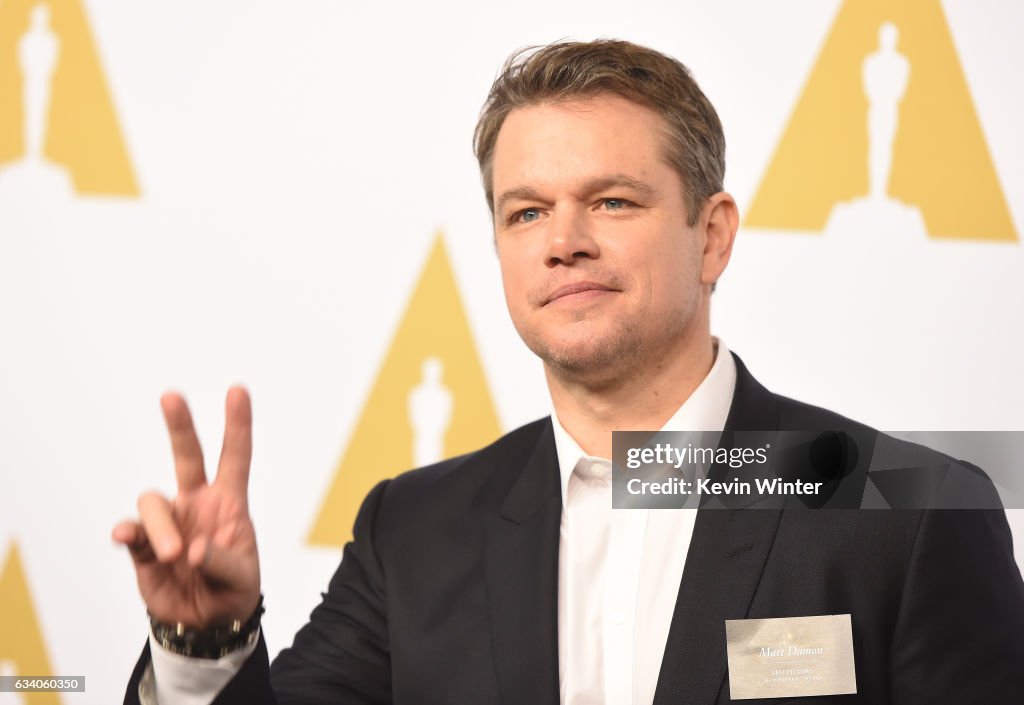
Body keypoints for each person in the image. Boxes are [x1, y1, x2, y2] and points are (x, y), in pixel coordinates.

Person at [115, 39, 1024, 704]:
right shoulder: (415, 529)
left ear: (712, 236)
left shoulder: (912, 502)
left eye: (612, 201)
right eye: (525, 213)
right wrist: (205, 642)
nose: (564, 242)